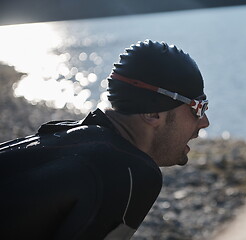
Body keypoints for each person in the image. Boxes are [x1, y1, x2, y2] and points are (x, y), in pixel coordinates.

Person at [0, 39, 210, 240]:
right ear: (153, 113)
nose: (205, 122)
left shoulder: (65, 138)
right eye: (198, 108)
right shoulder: (130, 171)